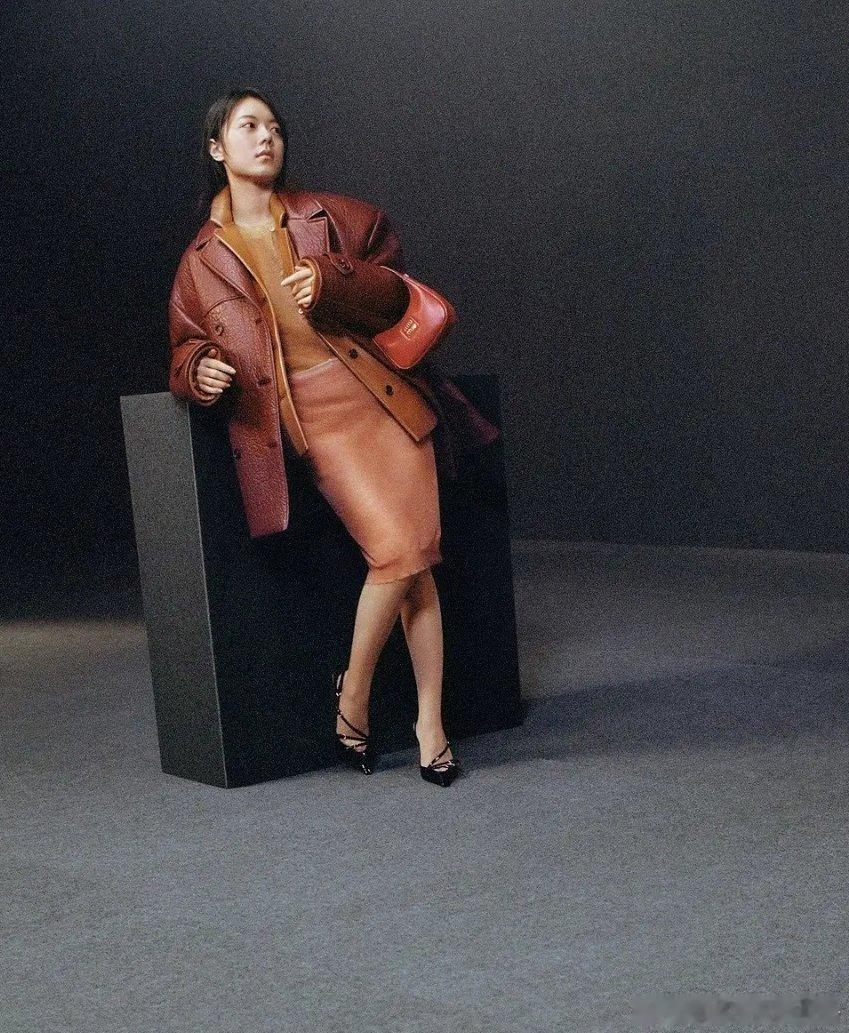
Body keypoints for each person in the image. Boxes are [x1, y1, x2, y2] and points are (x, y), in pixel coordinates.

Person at [168, 88, 498, 787]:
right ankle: (359, 696)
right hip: (313, 416)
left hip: (382, 396)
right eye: (248, 126)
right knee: (400, 551)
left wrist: (331, 278)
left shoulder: (336, 216)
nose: (267, 137)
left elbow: (395, 291)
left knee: (414, 558)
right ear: (217, 148)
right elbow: (184, 343)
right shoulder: (200, 260)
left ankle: (418, 719)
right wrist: (197, 369)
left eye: (274, 127)